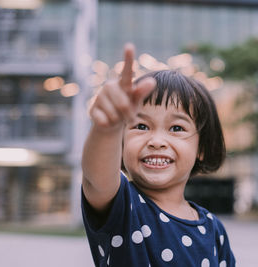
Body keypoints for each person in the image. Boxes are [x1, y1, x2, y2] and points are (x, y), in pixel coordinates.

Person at [81, 43, 236, 267]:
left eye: (176, 128)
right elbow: (97, 176)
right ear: (122, 141)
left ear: (201, 148)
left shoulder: (214, 230)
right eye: (141, 126)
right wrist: (106, 128)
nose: (156, 141)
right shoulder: (122, 204)